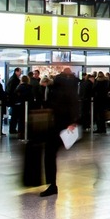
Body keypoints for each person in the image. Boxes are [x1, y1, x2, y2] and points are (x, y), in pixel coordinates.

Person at [34, 67, 80, 198]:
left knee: (49, 154)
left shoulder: (58, 91)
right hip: (62, 126)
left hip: (58, 126)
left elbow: (57, 106)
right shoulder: (70, 89)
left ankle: (52, 185)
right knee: (50, 154)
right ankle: (52, 184)